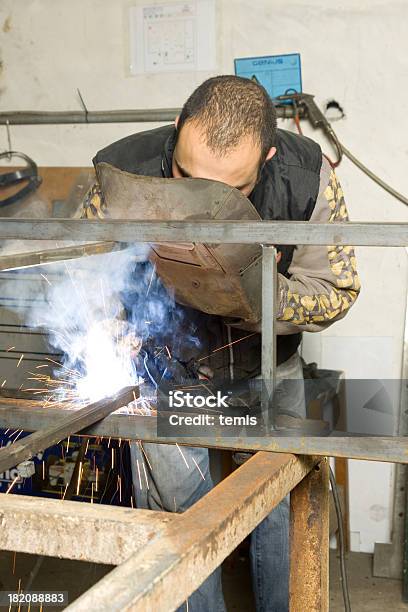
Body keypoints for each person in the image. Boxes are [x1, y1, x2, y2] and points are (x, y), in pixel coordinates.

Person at [82, 75, 360, 611]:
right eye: (185, 175)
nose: (199, 200)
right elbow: (87, 270)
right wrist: (111, 318)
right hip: (170, 371)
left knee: (275, 509)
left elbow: (337, 291)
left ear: (269, 156)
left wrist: (256, 297)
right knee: (180, 523)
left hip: (265, 371)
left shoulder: (308, 178)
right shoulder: (123, 169)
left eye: (229, 192)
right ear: (179, 130)